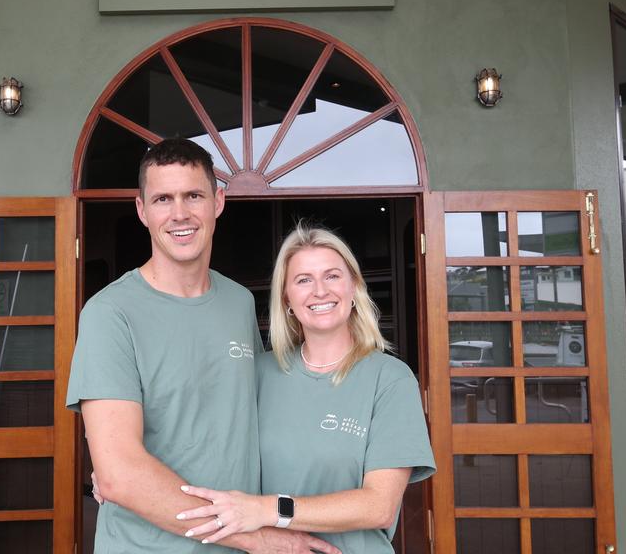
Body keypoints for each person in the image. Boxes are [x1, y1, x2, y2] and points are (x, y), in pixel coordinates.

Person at [65, 138, 340, 554]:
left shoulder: (238, 302)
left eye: (193, 195)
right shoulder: (110, 314)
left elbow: (254, 417)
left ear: (218, 201)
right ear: (142, 211)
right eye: (162, 199)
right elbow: (120, 471)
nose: (179, 214)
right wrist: (257, 538)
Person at [174, 225, 435, 553]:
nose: (320, 291)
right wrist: (113, 462)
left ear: (354, 287)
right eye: (303, 280)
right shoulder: (256, 373)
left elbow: (379, 506)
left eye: (332, 276)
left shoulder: (391, 380)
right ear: (287, 299)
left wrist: (268, 510)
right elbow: (193, 438)